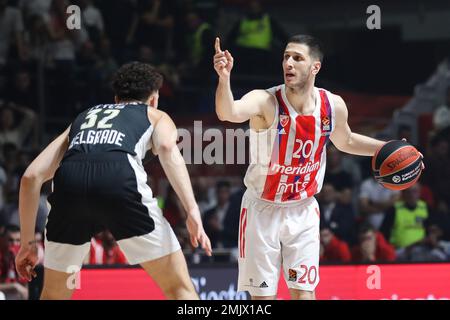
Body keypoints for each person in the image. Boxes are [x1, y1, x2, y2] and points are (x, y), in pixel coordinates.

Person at [213, 34, 424, 300]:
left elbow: (346, 140)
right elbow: (228, 112)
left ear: (315, 67)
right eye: (286, 57)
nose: (288, 63)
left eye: (297, 58)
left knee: (304, 294)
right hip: (261, 209)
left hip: (302, 209)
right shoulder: (265, 101)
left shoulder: (332, 105)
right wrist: (224, 78)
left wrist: (386, 147)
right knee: (263, 299)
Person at [15, 62, 211, 300]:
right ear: (153, 99)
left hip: (69, 188)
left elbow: (31, 177)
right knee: (179, 288)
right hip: (119, 182)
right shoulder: (155, 115)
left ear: (116, 99)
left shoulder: (85, 117)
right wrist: (192, 210)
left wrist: (27, 243)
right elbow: (168, 147)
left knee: (54, 296)